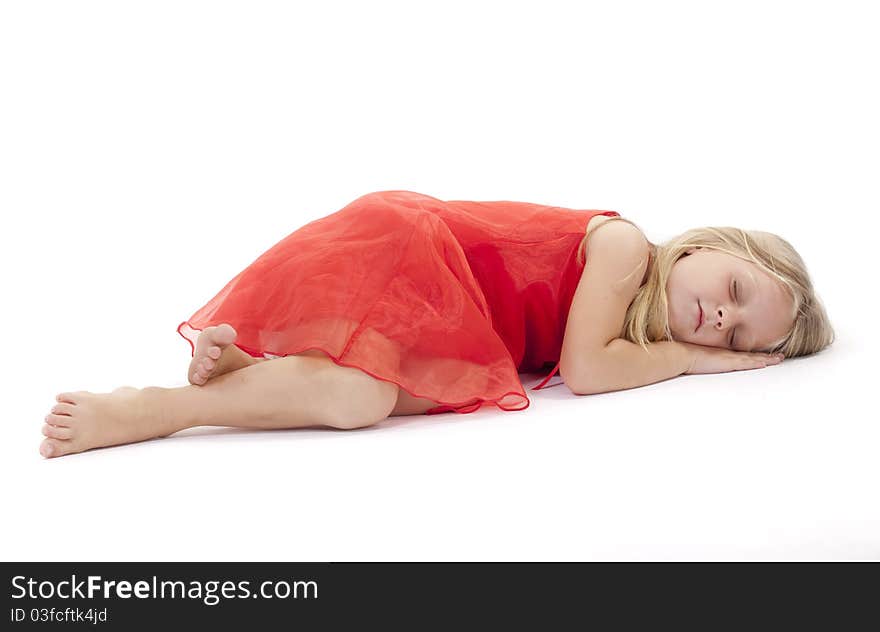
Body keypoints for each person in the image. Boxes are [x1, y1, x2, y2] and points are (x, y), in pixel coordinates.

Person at [39, 190, 834, 459]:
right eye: (732, 287)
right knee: (363, 403)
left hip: (458, 324)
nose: (719, 316)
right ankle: (158, 410)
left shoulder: (635, 319)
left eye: (733, 334)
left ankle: (247, 367)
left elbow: (582, 359)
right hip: (421, 255)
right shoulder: (626, 246)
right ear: (699, 246)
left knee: (377, 400)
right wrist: (696, 364)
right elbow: (588, 371)